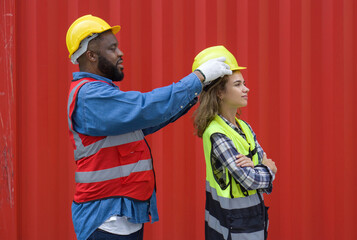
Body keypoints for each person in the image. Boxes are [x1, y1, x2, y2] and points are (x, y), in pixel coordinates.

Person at [65, 15, 232, 240]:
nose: (120, 53)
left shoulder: (103, 94)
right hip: (105, 219)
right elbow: (144, 108)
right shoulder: (89, 96)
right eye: (112, 48)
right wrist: (198, 78)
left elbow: (148, 120)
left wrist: (197, 90)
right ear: (91, 55)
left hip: (121, 216)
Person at [192, 46, 278, 240]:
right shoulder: (216, 133)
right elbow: (251, 179)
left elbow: (262, 166)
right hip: (232, 225)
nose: (246, 89)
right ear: (219, 93)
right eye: (238, 84)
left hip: (252, 220)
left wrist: (258, 167)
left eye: (244, 83)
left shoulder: (243, 127)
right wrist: (266, 169)